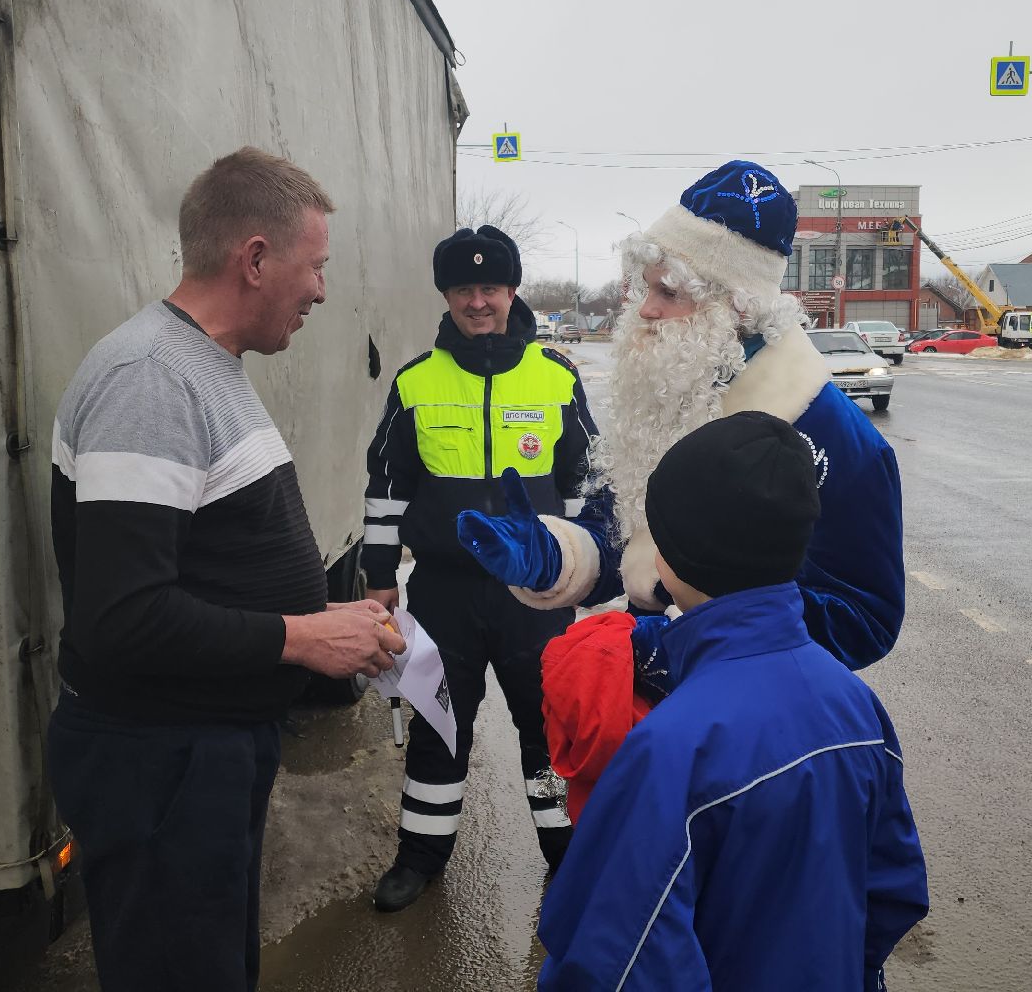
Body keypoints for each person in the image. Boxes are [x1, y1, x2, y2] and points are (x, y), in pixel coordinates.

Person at [46, 147, 406, 992]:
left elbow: (212, 553)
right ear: (254, 259)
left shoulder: (204, 365)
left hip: (199, 749)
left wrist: (324, 621)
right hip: (159, 760)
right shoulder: (151, 381)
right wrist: (302, 637)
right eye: (314, 266)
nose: (322, 289)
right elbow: (121, 618)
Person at [459, 158, 904, 675]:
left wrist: (693, 627)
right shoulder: (675, 391)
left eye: (667, 292)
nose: (645, 309)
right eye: (646, 288)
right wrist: (552, 557)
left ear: (736, 307)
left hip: (753, 722)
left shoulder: (834, 438)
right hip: (656, 700)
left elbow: (864, 619)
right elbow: (624, 538)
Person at [537, 412, 929, 990]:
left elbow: (613, 961)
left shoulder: (668, 748)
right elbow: (893, 888)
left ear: (666, 558)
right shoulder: (858, 707)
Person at [360, 225, 598, 912]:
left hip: (537, 595)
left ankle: (569, 857)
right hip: (443, 593)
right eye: (463, 289)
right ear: (446, 295)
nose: (478, 301)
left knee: (551, 729)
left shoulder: (556, 376)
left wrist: (585, 568)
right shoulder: (416, 382)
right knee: (439, 726)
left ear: (512, 289)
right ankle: (420, 856)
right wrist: (379, 580)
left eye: (490, 287)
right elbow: (385, 491)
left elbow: (585, 482)